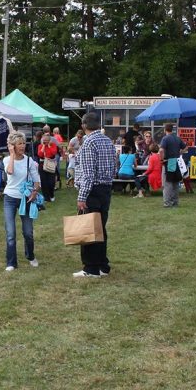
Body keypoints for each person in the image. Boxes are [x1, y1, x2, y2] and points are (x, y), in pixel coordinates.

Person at [74, 112, 117, 278]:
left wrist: (82, 196)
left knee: (89, 229)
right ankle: (102, 265)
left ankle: (90, 268)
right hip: (106, 188)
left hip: (92, 189)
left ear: (84, 126)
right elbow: (114, 165)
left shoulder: (88, 143)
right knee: (100, 228)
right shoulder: (107, 141)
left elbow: (89, 174)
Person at [1, 132, 41, 271]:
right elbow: (10, 172)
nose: (22, 146)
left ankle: (30, 256)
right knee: (11, 233)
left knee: (28, 232)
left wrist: (35, 192)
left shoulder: (29, 161)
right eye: (19, 143)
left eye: (24, 143)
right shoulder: (7, 160)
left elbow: (37, 181)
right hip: (10, 198)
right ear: (12, 146)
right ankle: (11, 263)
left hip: (26, 198)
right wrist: (12, 155)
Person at [159, 123, 186, 208]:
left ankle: (167, 203)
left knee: (168, 183)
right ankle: (175, 202)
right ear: (172, 129)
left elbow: (161, 150)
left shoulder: (165, 139)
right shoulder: (177, 138)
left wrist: (161, 159)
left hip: (169, 161)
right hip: (177, 161)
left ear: (165, 130)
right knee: (175, 183)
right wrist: (179, 152)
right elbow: (186, 147)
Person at [37, 132, 59, 201]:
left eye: (47, 140)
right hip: (42, 164)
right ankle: (46, 197)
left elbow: (54, 153)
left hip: (51, 164)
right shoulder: (40, 146)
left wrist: (49, 146)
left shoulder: (53, 145)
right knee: (44, 182)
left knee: (51, 182)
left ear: (50, 140)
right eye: (44, 140)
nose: (45, 142)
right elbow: (40, 154)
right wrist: (43, 146)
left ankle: (51, 195)